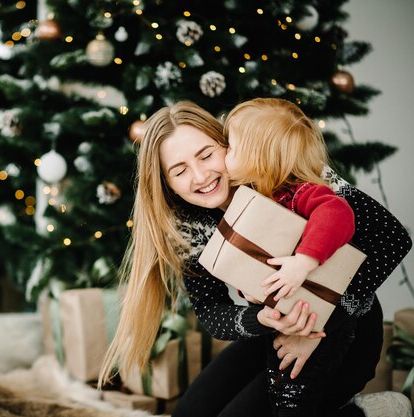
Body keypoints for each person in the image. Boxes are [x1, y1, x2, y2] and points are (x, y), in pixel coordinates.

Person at [98, 100, 412, 417]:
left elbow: (392, 239)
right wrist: (261, 319)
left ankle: (377, 413)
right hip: (275, 328)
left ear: (227, 144)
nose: (200, 175)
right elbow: (210, 311)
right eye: (179, 171)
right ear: (167, 183)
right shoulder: (187, 225)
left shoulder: (279, 169)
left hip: (348, 327)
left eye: (206, 155)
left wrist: (319, 327)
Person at [221, 98, 356, 416]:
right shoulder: (257, 200)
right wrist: (250, 290)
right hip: (283, 323)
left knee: (298, 402)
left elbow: (337, 214)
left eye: (230, 146)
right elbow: (259, 259)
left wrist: (303, 262)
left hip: (321, 326)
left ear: (258, 157)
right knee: (278, 398)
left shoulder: (300, 192)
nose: (223, 153)